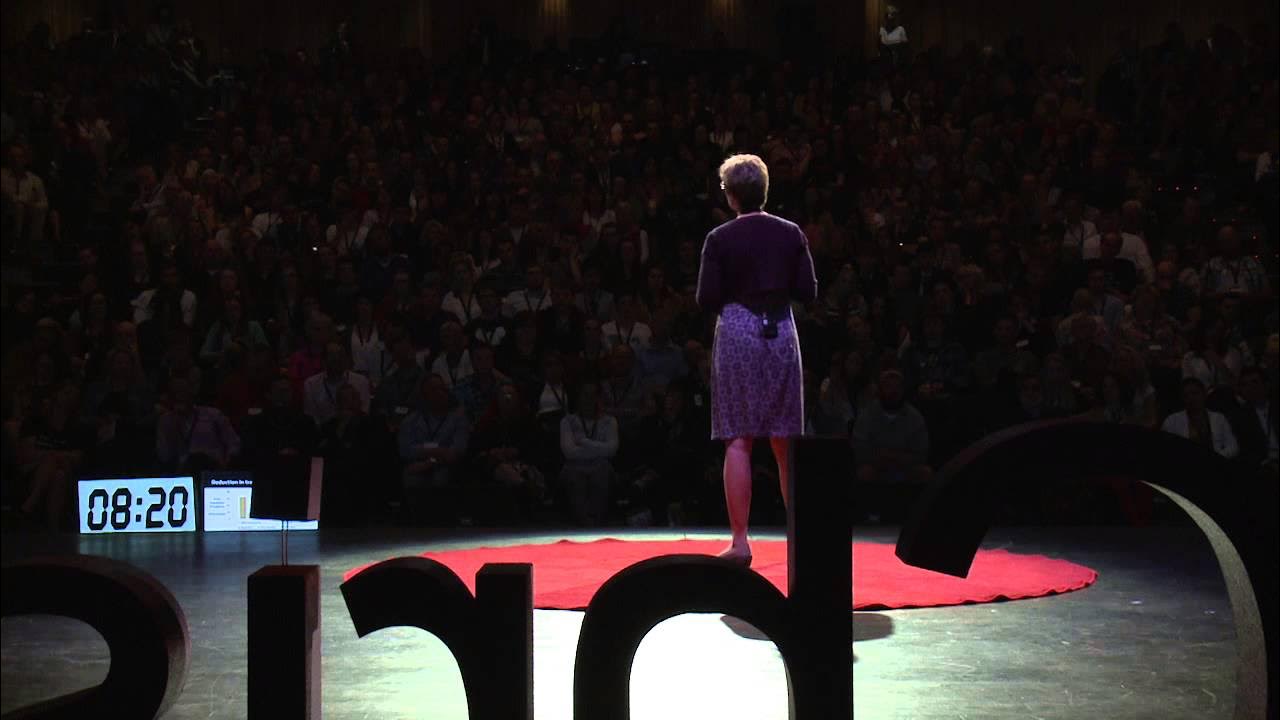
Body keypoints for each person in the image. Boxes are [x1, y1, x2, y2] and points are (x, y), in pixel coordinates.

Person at [695, 154, 818, 565]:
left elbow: (706, 298)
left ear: (730, 196)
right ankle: (801, 538)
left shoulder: (719, 238)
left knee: (738, 439)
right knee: (785, 443)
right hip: (780, 330)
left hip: (737, 331)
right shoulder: (791, 233)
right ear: (765, 191)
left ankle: (741, 541)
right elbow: (808, 291)